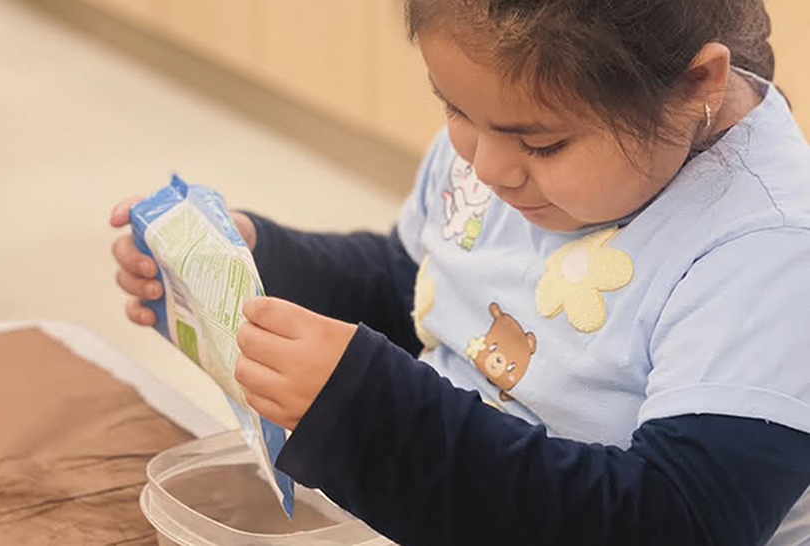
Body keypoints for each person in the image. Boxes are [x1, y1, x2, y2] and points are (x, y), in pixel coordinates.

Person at [111, 0, 810, 544]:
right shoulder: (504, 125)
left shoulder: (769, 253)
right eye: (453, 109)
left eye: (542, 142)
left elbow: (674, 523)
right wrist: (261, 267)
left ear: (697, 86)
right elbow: (422, 286)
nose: (487, 166)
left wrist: (373, 418)